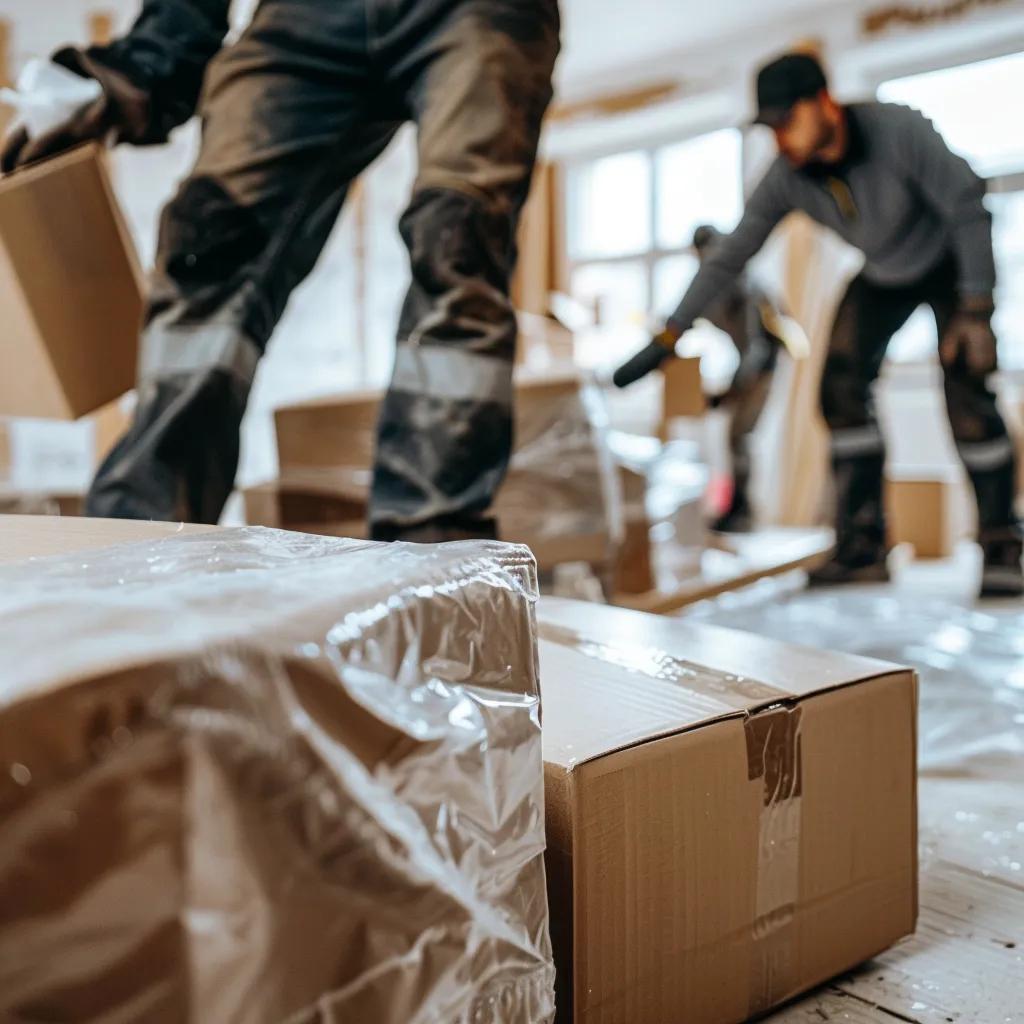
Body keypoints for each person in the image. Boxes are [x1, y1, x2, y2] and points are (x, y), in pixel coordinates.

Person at [2, 0, 560, 542]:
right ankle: (133, 544)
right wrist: (137, 67)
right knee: (210, 237)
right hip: (307, 16)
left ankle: (432, 561)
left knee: (458, 239)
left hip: (481, 8)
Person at [619, 52, 1021, 596]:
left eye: (788, 122)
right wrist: (670, 333)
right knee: (838, 388)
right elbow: (729, 255)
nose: (781, 139)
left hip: (946, 264)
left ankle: (1001, 545)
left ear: (823, 102)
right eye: (772, 127)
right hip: (880, 275)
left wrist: (977, 306)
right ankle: (861, 546)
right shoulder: (788, 178)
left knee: (966, 392)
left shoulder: (897, 128)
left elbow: (968, 205)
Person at [691, 224, 789, 532]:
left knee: (739, 437)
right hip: (751, 366)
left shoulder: (743, 283)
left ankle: (743, 511)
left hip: (763, 368)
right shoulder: (718, 287)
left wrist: (735, 386)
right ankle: (738, 509)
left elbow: (755, 348)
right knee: (734, 437)